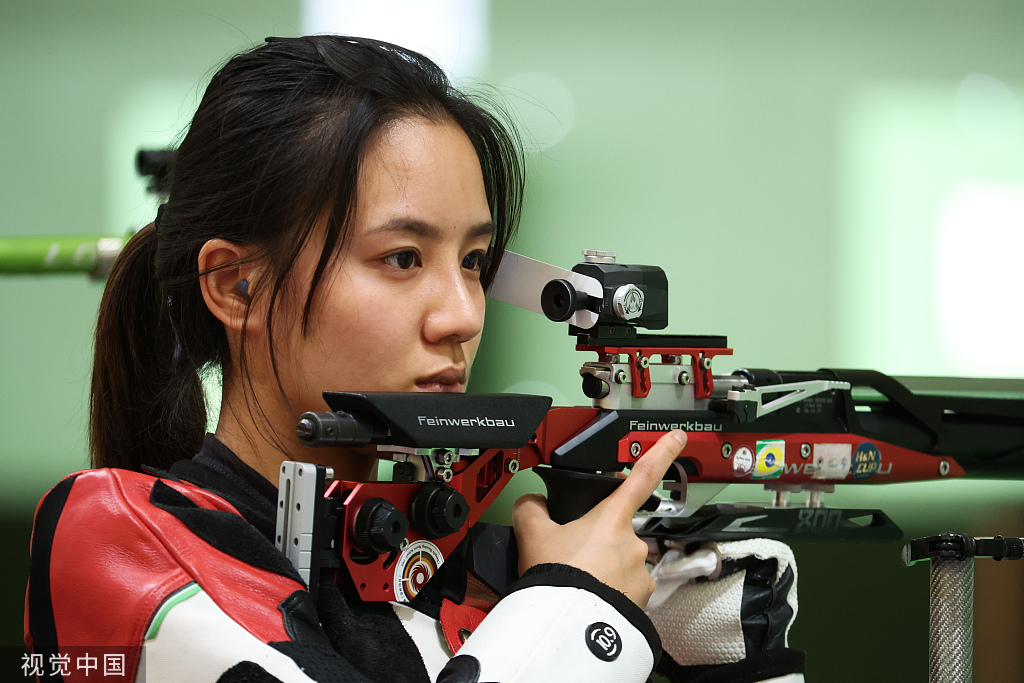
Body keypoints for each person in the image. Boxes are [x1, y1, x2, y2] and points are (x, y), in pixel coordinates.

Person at [25, 36, 803, 683]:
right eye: (402, 257)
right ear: (236, 285)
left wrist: (733, 662)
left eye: (474, 262)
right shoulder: (115, 540)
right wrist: (578, 609)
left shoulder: (473, 572)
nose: (464, 315)